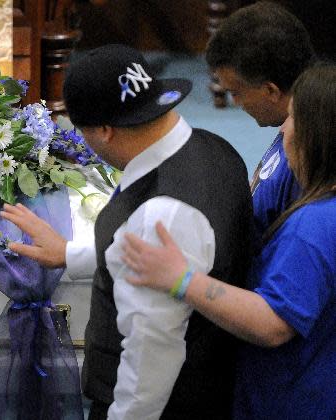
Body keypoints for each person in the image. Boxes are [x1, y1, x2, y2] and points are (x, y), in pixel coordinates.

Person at [0, 44, 253, 419]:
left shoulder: (162, 216)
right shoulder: (212, 147)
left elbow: (152, 354)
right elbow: (142, 244)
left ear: (103, 131)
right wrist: (70, 254)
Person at [121, 64, 336, 419]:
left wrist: (182, 279)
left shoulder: (312, 227)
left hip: (289, 404)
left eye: (294, 118)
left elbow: (272, 323)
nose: (283, 129)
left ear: (317, 135)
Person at [206, 1, 315, 244]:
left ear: (271, 90)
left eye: (236, 92)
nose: (235, 102)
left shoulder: (305, 157)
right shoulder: (296, 123)